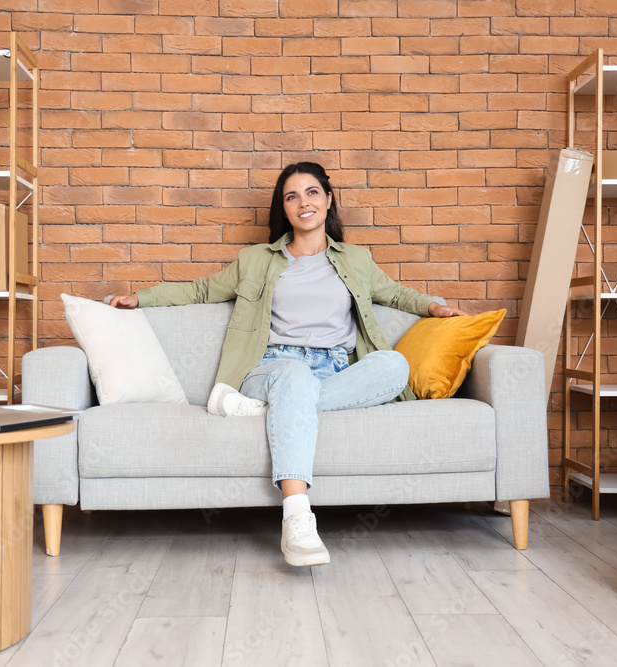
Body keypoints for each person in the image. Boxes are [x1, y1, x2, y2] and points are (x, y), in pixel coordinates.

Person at [109, 162, 466, 566]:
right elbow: (202, 288)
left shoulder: (356, 260)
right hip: (274, 368)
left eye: (312, 192)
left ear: (328, 200)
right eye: (292, 196)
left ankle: (272, 411)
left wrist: (434, 307)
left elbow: (396, 295)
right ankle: (298, 518)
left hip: (335, 370)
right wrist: (142, 298)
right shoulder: (256, 260)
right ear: (285, 209)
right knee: (294, 378)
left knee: (394, 365)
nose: (303, 202)